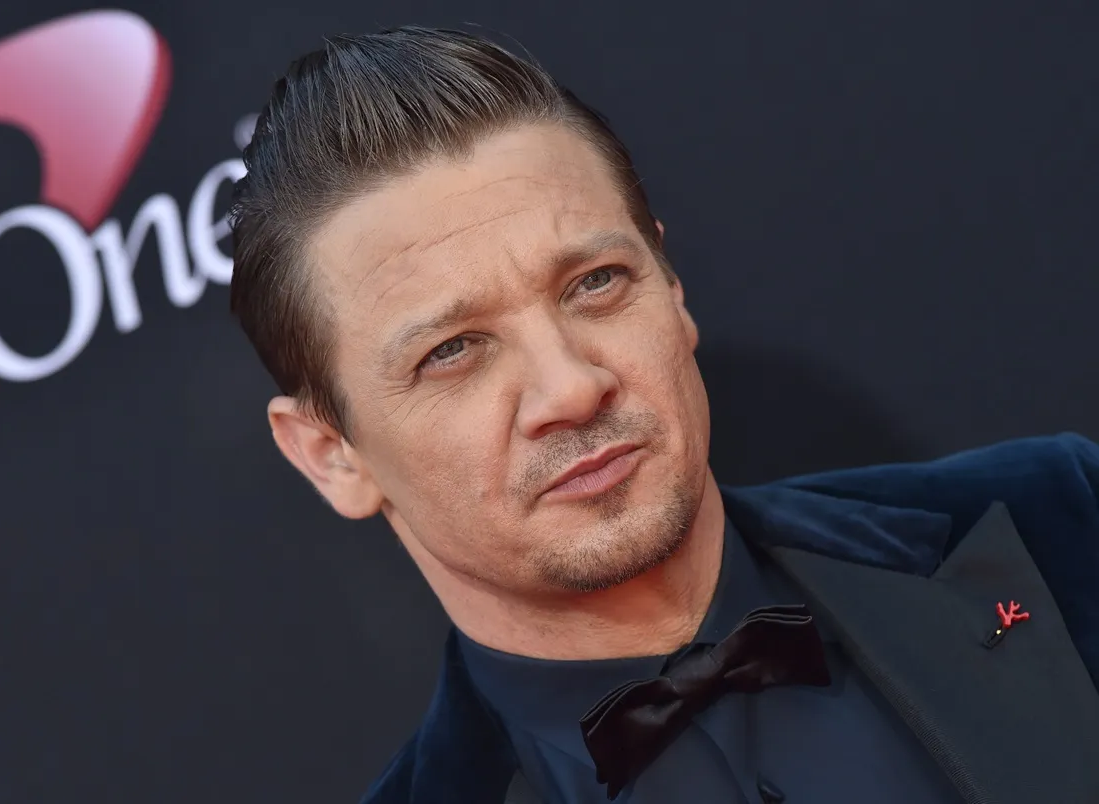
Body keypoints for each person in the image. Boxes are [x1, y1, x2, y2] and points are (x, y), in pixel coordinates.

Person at [228, 26, 1099, 804]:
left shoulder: (1057, 519)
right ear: (331, 454)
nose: (570, 389)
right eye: (452, 350)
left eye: (595, 284)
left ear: (671, 289)